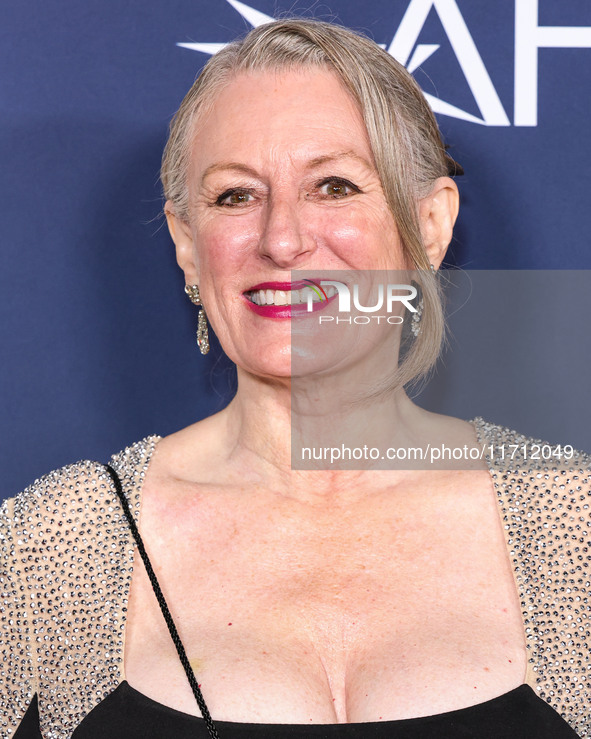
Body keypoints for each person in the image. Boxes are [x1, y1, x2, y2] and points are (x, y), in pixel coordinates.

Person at [1, 18, 589, 739]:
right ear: (188, 247)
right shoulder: (50, 547)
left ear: (427, 226)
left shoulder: (574, 523)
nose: (282, 239)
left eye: (334, 185)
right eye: (234, 197)